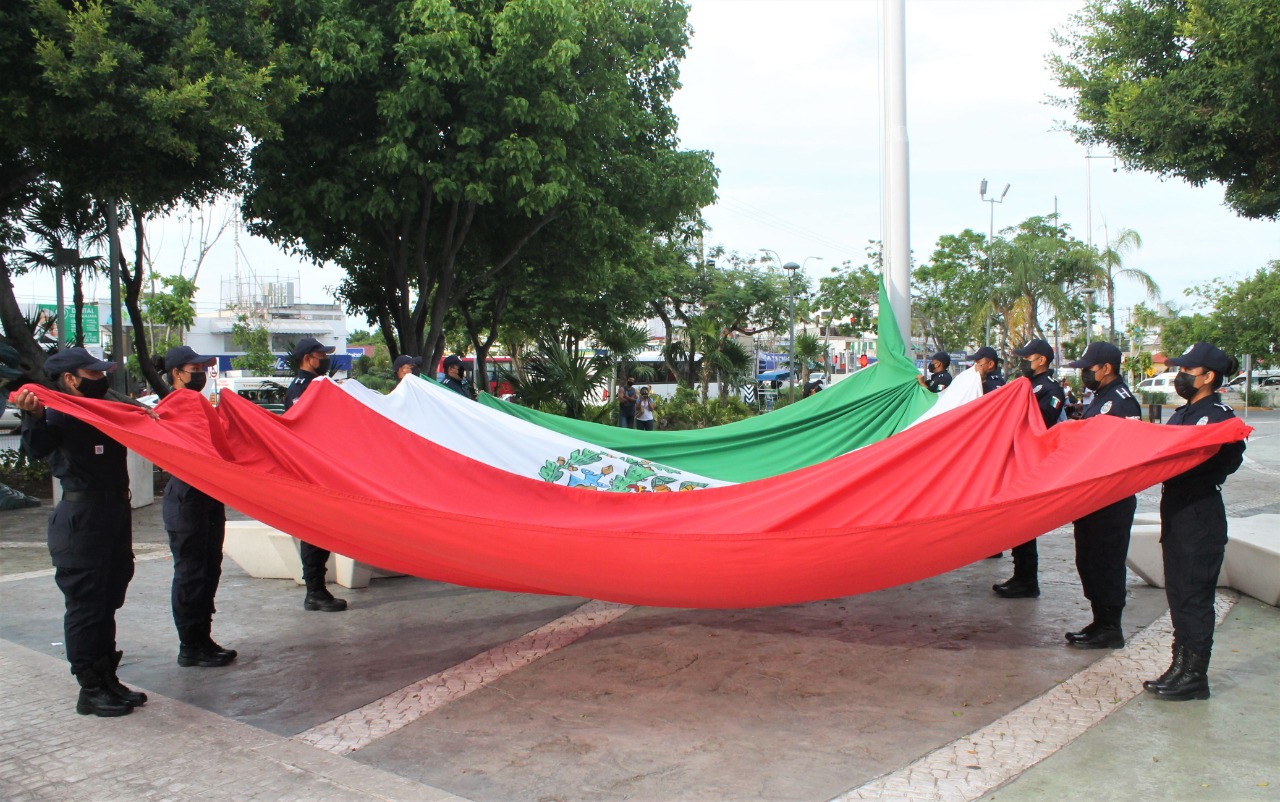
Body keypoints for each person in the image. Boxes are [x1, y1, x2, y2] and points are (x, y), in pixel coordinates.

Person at [13, 348, 146, 716]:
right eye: (93, 374)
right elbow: (36, 447)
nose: (101, 380)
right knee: (87, 606)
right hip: (81, 521)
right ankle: (89, 687)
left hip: (114, 515)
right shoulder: (56, 416)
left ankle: (107, 677)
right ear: (71, 380)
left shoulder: (101, 413)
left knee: (108, 601)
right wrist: (33, 416)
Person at [1144, 342, 1245, 701]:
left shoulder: (1219, 414)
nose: (1181, 376)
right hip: (1177, 511)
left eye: (1188, 371)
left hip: (1200, 513)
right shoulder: (1184, 412)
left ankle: (1195, 676)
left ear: (1208, 376)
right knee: (1179, 593)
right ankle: (1179, 666)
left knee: (1195, 596)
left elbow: (1229, 457)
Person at [1061, 341, 1142, 648]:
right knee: (1089, 559)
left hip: (1112, 498)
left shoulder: (1121, 401)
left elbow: (1127, 450)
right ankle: (1099, 621)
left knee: (1107, 561)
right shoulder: (1101, 398)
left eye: (1088, 369)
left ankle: (1111, 627)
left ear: (1107, 368)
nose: (1084, 374)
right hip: (1091, 495)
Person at [162, 346, 237, 668]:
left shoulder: (196, 404)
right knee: (193, 572)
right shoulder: (179, 404)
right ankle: (190, 644)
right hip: (187, 496)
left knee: (208, 568)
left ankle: (201, 639)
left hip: (205, 494)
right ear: (177, 373)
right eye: (194, 367)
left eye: (203, 367)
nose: (200, 373)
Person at [992, 339, 1066, 599]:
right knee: (1015, 520)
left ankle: (1027, 579)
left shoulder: (1050, 389)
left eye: (1028, 357)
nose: (1023, 362)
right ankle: (1021, 575)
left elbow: (1041, 422)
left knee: (1024, 522)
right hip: (1017, 459)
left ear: (1042, 360)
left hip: (1031, 462)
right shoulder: (1028, 386)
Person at [284, 337, 348, 612]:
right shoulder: (303, 388)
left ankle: (317, 589)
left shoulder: (316, 385)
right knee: (315, 530)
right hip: (310, 467)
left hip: (320, 465)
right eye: (321, 355)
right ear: (308, 358)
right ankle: (315, 590)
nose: (325, 360)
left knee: (322, 529)